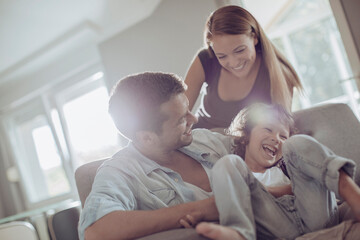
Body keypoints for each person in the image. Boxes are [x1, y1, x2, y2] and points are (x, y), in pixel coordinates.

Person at [78, 71, 235, 240]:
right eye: (182, 119)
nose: (194, 119)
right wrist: (202, 209)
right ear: (147, 137)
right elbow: (96, 231)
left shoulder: (205, 140)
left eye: (188, 109)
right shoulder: (120, 171)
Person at [180, 103, 360, 240]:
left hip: (317, 217)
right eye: (268, 129)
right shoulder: (235, 174)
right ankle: (238, 233)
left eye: (283, 136)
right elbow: (228, 202)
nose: (277, 139)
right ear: (246, 136)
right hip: (276, 225)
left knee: (296, 143)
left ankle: (353, 193)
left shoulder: (291, 165)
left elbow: (317, 190)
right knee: (226, 163)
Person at [184, 5, 303, 131]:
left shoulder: (280, 74)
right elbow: (179, 114)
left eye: (240, 50)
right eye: (222, 56)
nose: (234, 62)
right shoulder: (206, 59)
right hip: (201, 141)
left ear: (254, 37)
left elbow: (280, 132)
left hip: (240, 147)